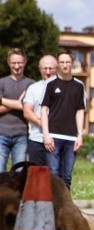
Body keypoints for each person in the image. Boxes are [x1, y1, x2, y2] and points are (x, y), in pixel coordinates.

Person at [41, 50, 87, 189]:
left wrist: (80, 135)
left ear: (72, 63)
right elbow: (44, 110)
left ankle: (65, 209)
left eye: (67, 62)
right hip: (53, 137)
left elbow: (80, 111)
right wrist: (46, 135)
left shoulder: (79, 86)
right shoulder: (50, 84)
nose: (65, 65)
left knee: (66, 176)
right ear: (58, 64)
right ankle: (53, 209)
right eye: (62, 62)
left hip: (71, 138)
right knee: (53, 175)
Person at [0, 48, 35, 170]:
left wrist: (2, 101)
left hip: (21, 135)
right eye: (13, 63)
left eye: (19, 62)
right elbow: (21, 105)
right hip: (1, 133)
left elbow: (27, 108)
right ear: (9, 63)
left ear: (25, 62)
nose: (16, 66)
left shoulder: (31, 84)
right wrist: (19, 103)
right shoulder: (1, 83)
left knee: (19, 172)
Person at [22, 55, 57, 166]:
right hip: (37, 139)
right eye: (44, 68)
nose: (47, 72)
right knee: (36, 175)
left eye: (50, 68)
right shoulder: (33, 88)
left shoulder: (63, 87)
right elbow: (27, 111)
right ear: (40, 69)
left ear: (56, 68)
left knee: (56, 176)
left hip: (57, 139)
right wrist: (42, 123)